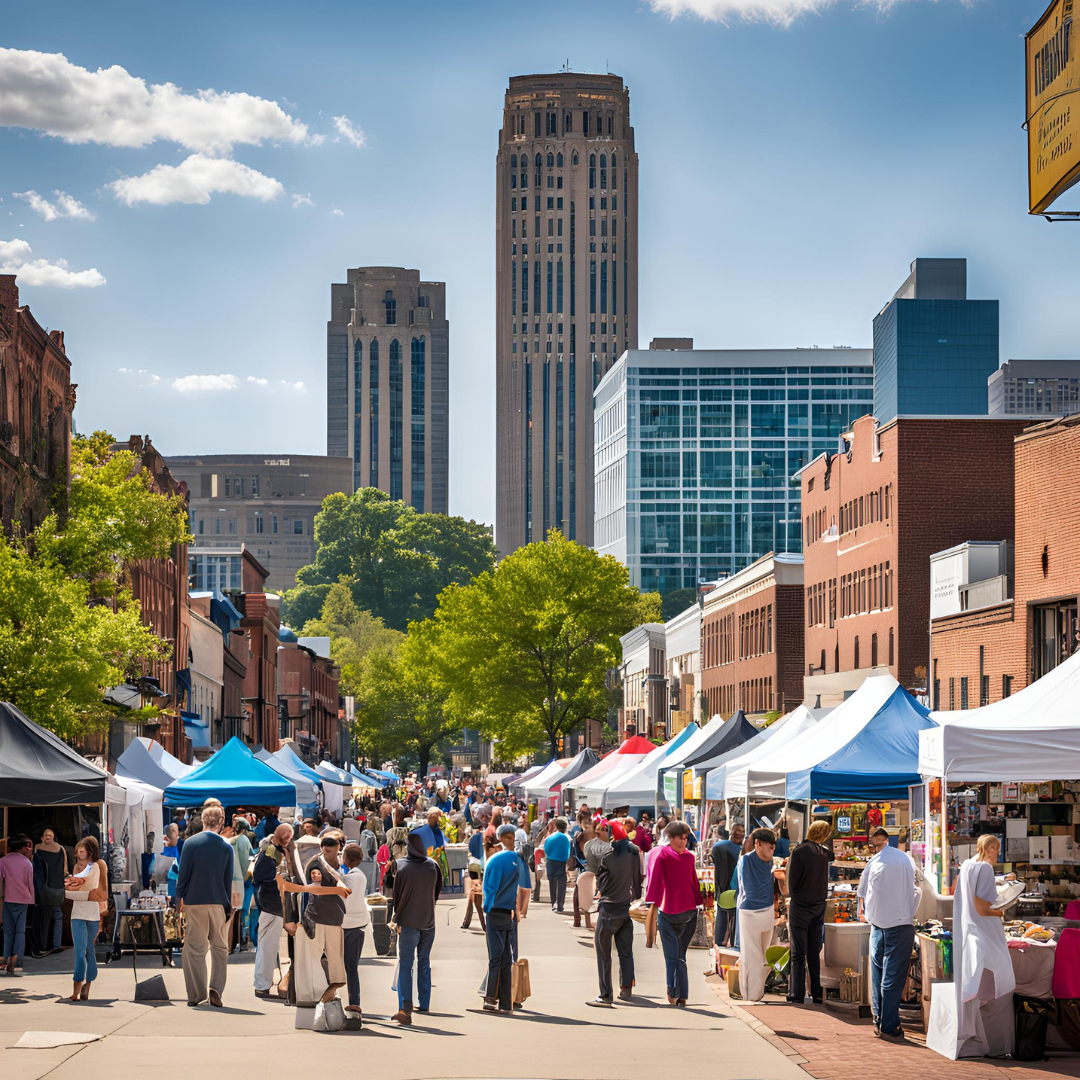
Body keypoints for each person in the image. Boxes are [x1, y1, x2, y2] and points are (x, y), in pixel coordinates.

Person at [952, 833, 1016, 1057]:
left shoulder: (968, 865)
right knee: (1002, 987)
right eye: (996, 848)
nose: (998, 853)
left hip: (971, 934)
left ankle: (979, 1040)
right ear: (988, 848)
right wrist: (1003, 909)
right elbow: (982, 908)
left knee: (977, 991)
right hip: (986, 935)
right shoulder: (985, 869)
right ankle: (997, 1046)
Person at [857, 827, 919, 1041]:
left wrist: (868, 914)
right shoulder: (905, 860)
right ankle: (889, 1024)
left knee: (878, 974)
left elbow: (862, 894)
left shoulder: (873, 862)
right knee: (892, 977)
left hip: (877, 924)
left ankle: (879, 1020)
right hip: (900, 923)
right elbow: (916, 888)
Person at [176, 805, 235, 1007]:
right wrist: (228, 907)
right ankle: (215, 989)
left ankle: (196, 994)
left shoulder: (190, 844)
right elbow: (227, 880)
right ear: (220, 822)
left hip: (194, 900)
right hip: (218, 901)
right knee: (219, 947)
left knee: (194, 948)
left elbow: (183, 875)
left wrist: (178, 899)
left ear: (203, 820)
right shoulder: (226, 846)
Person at [644, 821, 702, 1006]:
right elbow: (692, 883)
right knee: (679, 955)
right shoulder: (684, 857)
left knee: (673, 956)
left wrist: (650, 902)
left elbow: (657, 883)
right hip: (685, 911)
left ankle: (674, 992)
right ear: (671, 837)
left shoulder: (664, 855)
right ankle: (681, 994)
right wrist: (698, 901)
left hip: (671, 911)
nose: (683, 842)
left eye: (685, 838)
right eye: (680, 838)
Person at [588, 821, 641, 1007]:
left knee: (603, 954)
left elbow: (601, 885)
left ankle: (605, 995)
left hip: (608, 910)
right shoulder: (634, 853)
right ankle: (626, 987)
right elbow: (637, 885)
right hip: (625, 908)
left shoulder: (607, 857)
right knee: (625, 952)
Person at [392, 832, 443, 1025]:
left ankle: (405, 1006)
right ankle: (425, 1001)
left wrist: (396, 918)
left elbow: (396, 896)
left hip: (408, 922)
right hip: (428, 922)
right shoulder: (433, 865)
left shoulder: (401, 866)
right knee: (424, 961)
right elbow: (437, 891)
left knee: (406, 963)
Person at [481, 823, 532, 1013]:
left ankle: (489, 999)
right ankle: (505, 1001)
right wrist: (519, 910)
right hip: (509, 913)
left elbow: (490, 888)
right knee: (506, 957)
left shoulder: (494, 860)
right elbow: (525, 887)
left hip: (495, 911)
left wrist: (486, 908)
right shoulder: (518, 860)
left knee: (495, 958)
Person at [786, 820, 832, 1004]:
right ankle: (817, 992)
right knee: (814, 951)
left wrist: (796, 896)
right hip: (819, 906)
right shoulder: (824, 853)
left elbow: (792, 883)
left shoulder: (799, 851)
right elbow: (832, 856)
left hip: (801, 906)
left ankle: (797, 993)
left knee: (798, 952)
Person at [735, 828, 778, 1004]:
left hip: (767, 910)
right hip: (749, 912)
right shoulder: (746, 860)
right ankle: (750, 995)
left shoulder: (772, 863)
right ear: (758, 844)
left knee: (765, 955)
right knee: (751, 955)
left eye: (773, 848)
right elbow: (746, 888)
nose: (771, 851)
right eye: (769, 847)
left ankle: (757, 992)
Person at [64, 837, 101, 1001]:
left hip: (92, 914)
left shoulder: (95, 867)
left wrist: (75, 884)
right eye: (78, 850)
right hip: (77, 914)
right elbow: (78, 887)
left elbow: (89, 886)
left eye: (82, 850)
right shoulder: (75, 868)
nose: (79, 852)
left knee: (89, 951)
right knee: (79, 952)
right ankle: (76, 989)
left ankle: (88, 983)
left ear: (89, 852)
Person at [340, 843, 371, 1023]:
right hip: (358, 924)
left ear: (345, 858)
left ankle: (350, 1001)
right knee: (351, 968)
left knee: (346, 966)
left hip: (348, 926)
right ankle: (354, 1002)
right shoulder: (360, 875)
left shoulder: (350, 878)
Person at [0, 835, 35, 976]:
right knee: (20, 932)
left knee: (8, 932)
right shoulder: (27, 863)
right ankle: (18, 962)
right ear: (21, 848)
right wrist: (32, 899)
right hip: (24, 900)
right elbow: (30, 883)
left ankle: (6, 960)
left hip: (8, 900)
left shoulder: (2, 861)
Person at [33, 828, 67, 956]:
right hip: (58, 889)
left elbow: (35, 871)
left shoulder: (37, 848)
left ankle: (43, 946)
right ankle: (56, 945)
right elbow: (65, 870)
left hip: (44, 889)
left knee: (44, 918)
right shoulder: (61, 849)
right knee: (58, 917)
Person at [711, 823, 744, 948]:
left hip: (721, 886)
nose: (740, 834)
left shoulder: (717, 846)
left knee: (722, 915)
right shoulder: (739, 850)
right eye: (739, 831)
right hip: (734, 887)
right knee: (734, 918)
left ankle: (719, 942)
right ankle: (732, 942)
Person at [543, 817, 572, 913]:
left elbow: (545, 849)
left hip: (550, 861)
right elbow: (568, 852)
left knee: (552, 884)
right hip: (561, 862)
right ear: (565, 827)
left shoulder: (549, 837)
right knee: (561, 885)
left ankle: (553, 904)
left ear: (556, 826)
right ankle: (560, 905)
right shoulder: (566, 838)